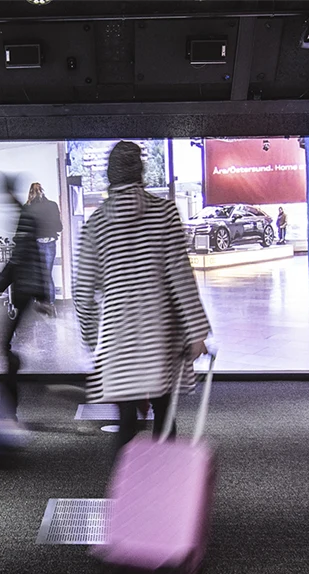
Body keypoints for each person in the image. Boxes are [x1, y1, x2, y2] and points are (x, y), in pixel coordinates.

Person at [74, 141, 212, 452]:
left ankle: (126, 494)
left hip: (118, 340)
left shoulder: (96, 225)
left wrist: (92, 337)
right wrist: (196, 332)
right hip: (160, 336)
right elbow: (181, 276)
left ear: (110, 176)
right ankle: (168, 496)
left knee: (125, 422)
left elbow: (83, 291)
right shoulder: (164, 213)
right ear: (141, 173)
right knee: (164, 417)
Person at [0, 175, 53, 420]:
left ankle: (9, 409)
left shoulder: (23, 215)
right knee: (5, 346)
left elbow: (19, 260)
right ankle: (10, 405)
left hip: (24, 289)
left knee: (3, 346)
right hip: (29, 289)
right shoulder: (23, 213)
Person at [26, 183, 63, 299]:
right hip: (50, 242)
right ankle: (51, 305)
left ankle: (37, 303)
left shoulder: (28, 207)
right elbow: (59, 227)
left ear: (30, 192)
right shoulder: (52, 205)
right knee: (47, 276)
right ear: (43, 190)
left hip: (35, 245)